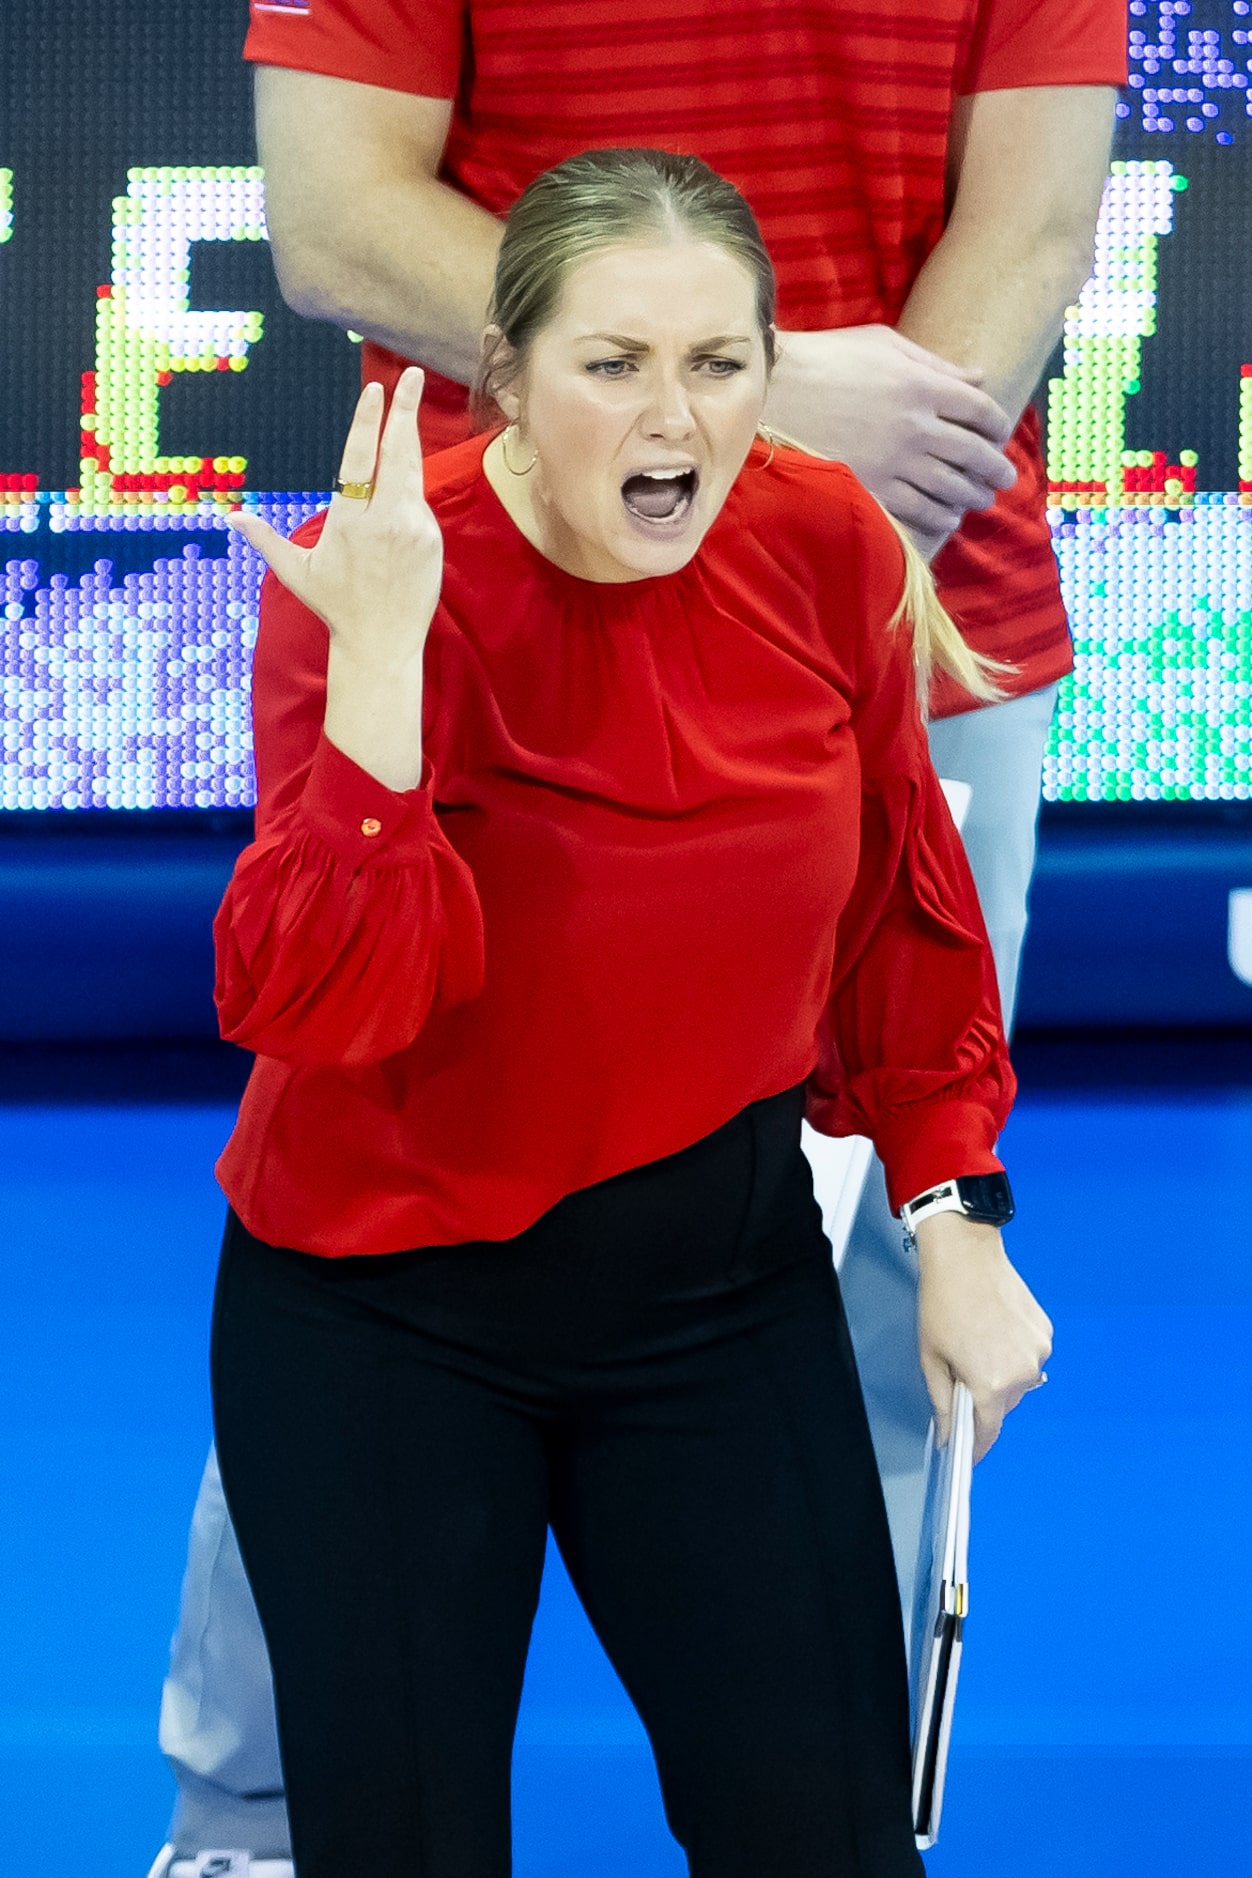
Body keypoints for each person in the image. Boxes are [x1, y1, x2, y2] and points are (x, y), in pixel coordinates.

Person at [149, 0, 1125, 1869]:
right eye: (613, 364)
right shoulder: (383, 582)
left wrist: (954, 1215)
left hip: (713, 1302)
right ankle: (233, 1825)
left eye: (719, 366)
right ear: (500, 373)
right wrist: (371, 684)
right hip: (384, 1316)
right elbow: (322, 1003)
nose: (672, 419)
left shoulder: (830, 547)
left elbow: (899, 939)